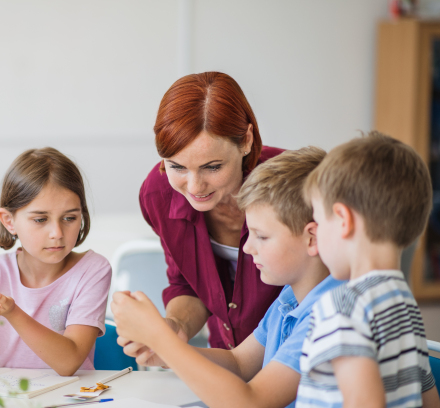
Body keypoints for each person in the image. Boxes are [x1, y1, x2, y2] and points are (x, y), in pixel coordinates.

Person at [113, 147, 342, 408]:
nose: (246, 248)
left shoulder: (331, 313)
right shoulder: (289, 298)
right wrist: (166, 354)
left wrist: (162, 340)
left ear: (312, 238)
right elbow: (239, 363)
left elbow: (252, 401)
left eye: (262, 236)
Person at [134, 72, 284, 360]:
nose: (194, 187)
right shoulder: (158, 194)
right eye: (177, 166)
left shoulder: (297, 185)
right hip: (227, 365)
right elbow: (187, 283)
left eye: (212, 167)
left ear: (246, 141)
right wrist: (175, 328)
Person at [297, 132, 440, 408]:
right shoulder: (405, 304)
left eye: (317, 220)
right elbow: (430, 400)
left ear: (342, 219)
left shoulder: (341, 306)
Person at [0, 147, 111, 375]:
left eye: (70, 218)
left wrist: (12, 312)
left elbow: (68, 362)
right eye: (41, 219)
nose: (57, 233)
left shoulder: (93, 270)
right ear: (9, 221)